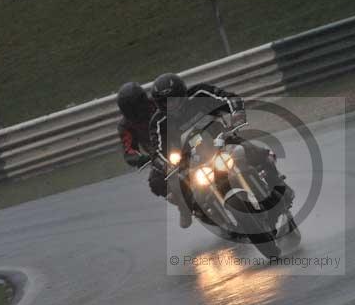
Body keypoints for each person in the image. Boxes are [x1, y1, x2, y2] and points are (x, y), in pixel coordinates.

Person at [116, 74, 292, 228]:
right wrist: (156, 161)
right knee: (166, 183)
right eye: (167, 103)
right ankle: (189, 208)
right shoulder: (154, 120)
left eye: (175, 99)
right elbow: (152, 148)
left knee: (252, 152)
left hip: (219, 139)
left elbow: (229, 99)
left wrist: (237, 115)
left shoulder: (199, 94)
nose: (173, 105)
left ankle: (278, 184)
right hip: (182, 154)